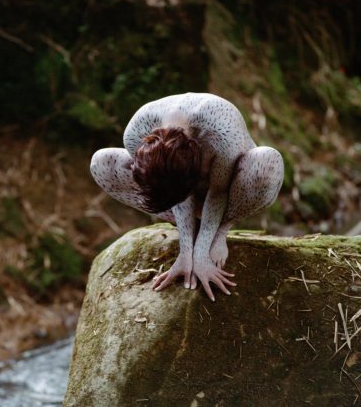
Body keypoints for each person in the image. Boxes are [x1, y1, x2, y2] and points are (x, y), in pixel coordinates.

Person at [90, 93, 284, 301]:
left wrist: (203, 251)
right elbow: (171, 190)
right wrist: (185, 251)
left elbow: (218, 192)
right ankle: (192, 228)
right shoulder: (135, 133)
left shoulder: (221, 127)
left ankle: (221, 227)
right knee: (101, 163)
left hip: (230, 190)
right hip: (180, 191)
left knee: (268, 161)